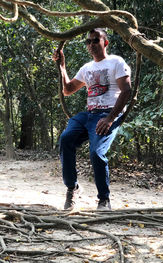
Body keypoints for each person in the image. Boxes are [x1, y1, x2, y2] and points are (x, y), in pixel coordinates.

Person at [53, 28, 132, 210]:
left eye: (95, 40)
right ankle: (72, 188)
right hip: (89, 114)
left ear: (105, 42)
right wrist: (62, 66)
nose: (91, 45)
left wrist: (111, 118)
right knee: (65, 139)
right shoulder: (86, 68)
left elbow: (126, 91)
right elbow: (68, 90)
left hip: (109, 113)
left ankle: (104, 200)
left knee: (96, 153)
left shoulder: (116, 62)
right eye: (88, 42)